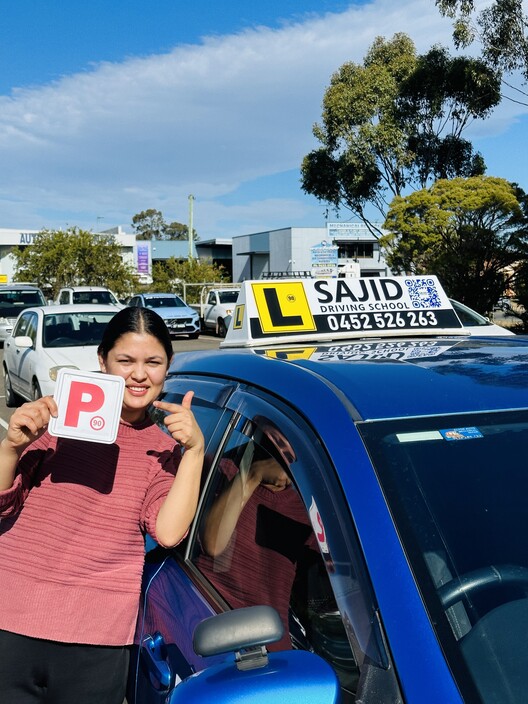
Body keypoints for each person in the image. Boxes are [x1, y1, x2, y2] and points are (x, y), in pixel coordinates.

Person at [0, 306, 204, 704]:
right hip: (11, 623)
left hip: (97, 641)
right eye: (125, 360)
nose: (140, 374)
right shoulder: (55, 421)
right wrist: (12, 446)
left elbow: (167, 531)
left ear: (169, 366)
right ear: (101, 360)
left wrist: (194, 452)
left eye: (153, 362)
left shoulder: (164, 450)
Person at [196, 418, 319, 651]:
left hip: (272, 643)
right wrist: (253, 474)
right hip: (214, 632)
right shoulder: (221, 468)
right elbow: (213, 544)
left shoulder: (310, 501)